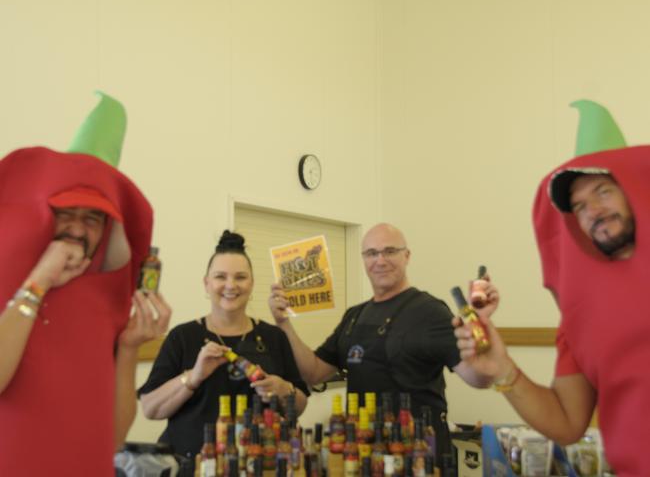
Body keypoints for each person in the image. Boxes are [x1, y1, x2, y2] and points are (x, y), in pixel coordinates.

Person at [454, 100, 650, 477]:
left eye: (604, 191)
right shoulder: (582, 315)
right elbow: (566, 422)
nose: (592, 209)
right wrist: (501, 369)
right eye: (578, 206)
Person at [0, 147, 170, 476]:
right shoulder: (8, 278)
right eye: (66, 213)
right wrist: (39, 281)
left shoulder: (107, 303)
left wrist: (130, 346)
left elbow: (114, 437)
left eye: (92, 219)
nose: (78, 230)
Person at [268, 223, 494, 457]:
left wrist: (482, 331)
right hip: (365, 451)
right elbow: (314, 372)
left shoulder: (430, 312)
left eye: (390, 251)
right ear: (364, 259)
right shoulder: (354, 316)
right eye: (372, 253)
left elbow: (479, 379)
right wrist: (283, 323)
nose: (380, 260)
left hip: (418, 452)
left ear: (406, 256)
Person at [138, 230, 310, 459]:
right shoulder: (183, 336)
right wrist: (193, 377)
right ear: (206, 284)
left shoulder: (273, 337)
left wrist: (282, 389)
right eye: (220, 277)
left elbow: (299, 406)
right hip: (192, 464)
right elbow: (150, 408)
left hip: (259, 463)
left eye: (240, 277)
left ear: (251, 284)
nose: (231, 285)